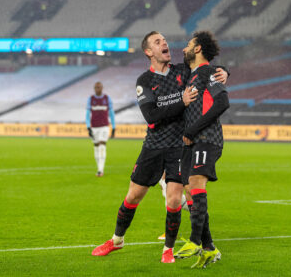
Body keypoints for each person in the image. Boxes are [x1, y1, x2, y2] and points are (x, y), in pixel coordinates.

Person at [91, 31, 228, 264]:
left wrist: (225, 71)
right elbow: (152, 116)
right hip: (153, 145)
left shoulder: (182, 72)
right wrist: (180, 101)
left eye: (164, 40)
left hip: (179, 146)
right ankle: (117, 240)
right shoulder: (145, 81)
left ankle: (168, 250)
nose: (164, 43)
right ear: (148, 52)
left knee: (174, 199)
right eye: (158, 42)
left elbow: (204, 69)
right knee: (133, 196)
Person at [173, 31, 230, 269]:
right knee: (188, 191)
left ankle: (195, 241)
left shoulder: (208, 73)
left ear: (197, 49)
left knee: (196, 183)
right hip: (192, 141)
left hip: (206, 138)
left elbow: (222, 102)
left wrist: (191, 130)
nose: (184, 48)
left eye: (188, 45)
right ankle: (209, 248)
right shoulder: (192, 75)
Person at [86, 82, 116, 177]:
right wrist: (88, 127)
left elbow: (111, 113)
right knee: (96, 147)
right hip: (94, 127)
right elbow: (87, 114)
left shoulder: (107, 99)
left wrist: (114, 127)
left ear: (102, 88)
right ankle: (99, 167)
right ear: (94, 88)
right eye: (95, 87)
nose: (97, 89)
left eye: (99, 87)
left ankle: (100, 170)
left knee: (102, 145)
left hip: (104, 126)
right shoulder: (91, 99)